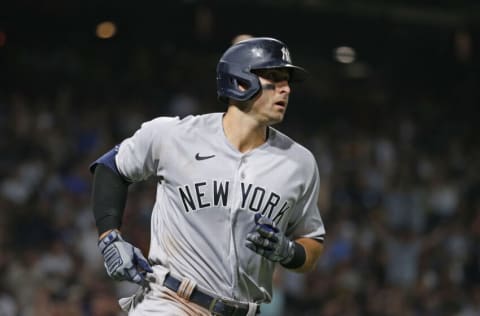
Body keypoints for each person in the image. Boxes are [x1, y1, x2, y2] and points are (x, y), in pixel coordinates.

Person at [89, 36, 326, 316]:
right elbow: (111, 167)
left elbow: (311, 243)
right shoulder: (176, 135)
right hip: (170, 301)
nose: (286, 89)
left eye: (287, 80)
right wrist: (109, 237)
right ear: (239, 82)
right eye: (274, 77)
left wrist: (289, 252)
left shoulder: (299, 163)